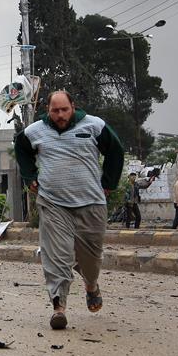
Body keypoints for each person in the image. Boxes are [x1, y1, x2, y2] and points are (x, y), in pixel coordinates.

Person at [14, 91, 124, 330]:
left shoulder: (94, 125)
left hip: (91, 202)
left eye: (64, 109)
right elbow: (21, 147)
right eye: (55, 111)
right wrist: (29, 176)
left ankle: (91, 285)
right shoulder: (35, 131)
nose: (60, 115)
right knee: (56, 255)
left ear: (73, 106)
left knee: (90, 259)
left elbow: (116, 151)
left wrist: (109, 183)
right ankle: (58, 307)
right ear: (48, 110)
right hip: (53, 203)